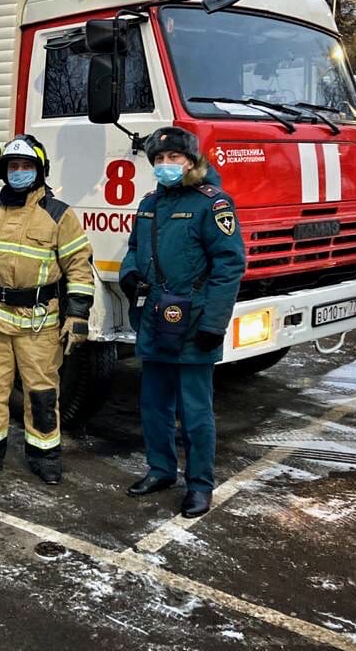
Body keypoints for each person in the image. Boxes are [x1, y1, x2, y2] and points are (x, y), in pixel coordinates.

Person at [0, 134, 94, 485]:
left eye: (27, 167)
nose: (20, 172)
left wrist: (77, 316)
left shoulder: (60, 215)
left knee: (41, 392)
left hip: (39, 322)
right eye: (14, 167)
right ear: (4, 171)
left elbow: (78, 267)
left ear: (39, 171)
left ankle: (44, 457)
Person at [119, 126, 245, 518]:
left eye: (173, 158)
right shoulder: (149, 204)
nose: (165, 165)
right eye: (158, 160)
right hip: (155, 318)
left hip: (194, 322)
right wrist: (129, 274)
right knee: (154, 405)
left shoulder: (213, 204)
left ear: (191, 162)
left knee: (195, 411)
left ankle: (199, 485)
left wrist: (215, 323)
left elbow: (229, 266)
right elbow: (135, 249)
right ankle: (160, 470)